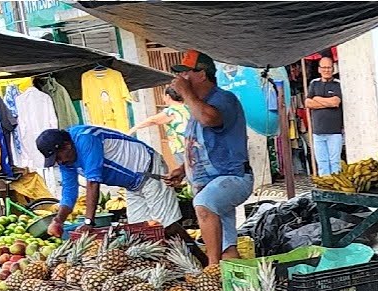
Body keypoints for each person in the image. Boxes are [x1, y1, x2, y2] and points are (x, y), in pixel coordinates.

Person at [161, 50, 252, 266]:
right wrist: (183, 169)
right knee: (227, 247)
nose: (181, 79)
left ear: (202, 75)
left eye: (186, 73)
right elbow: (199, 145)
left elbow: (210, 119)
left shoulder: (223, 99)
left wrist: (186, 93)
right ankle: (231, 285)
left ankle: (211, 268)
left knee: (203, 205)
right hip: (212, 182)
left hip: (232, 177)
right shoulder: (195, 106)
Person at [36, 126, 187, 242]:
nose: (59, 162)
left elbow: (93, 182)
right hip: (133, 185)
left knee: (168, 226)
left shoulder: (86, 138)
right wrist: (58, 221)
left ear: (67, 146)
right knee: (140, 233)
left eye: (58, 157)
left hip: (149, 169)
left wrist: (89, 222)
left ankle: (204, 262)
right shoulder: (66, 161)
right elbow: (69, 191)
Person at [306, 56, 344, 175]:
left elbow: (335, 102)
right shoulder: (314, 83)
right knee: (322, 163)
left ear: (333, 68)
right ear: (319, 69)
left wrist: (317, 99)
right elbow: (307, 103)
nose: (326, 70)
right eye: (324, 67)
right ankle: (325, 188)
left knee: (335, 163)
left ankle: (336, 189)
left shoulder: (337, 84)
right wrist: (326, 102)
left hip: (334, 132)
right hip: (318, 131)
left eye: (329, 67)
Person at [132, 87, 190, 166]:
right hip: (193, 144)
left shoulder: (171, 111)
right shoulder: (188, 107)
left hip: (181, 147)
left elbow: (153, 120)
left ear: (168, 96)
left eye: (163, 95)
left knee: (189, 172)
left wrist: (134, 129)